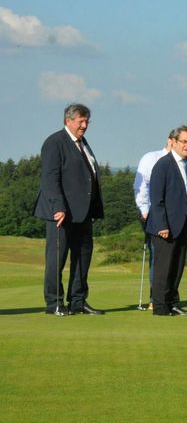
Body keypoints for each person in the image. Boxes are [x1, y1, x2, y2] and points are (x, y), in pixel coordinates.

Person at [34, 103, 105, 316]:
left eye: (87, 122)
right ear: (68, 120)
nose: (84, 126)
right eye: (80, 121)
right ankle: (54, 303)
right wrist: (58, 207)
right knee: (57, 259)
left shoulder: (82, 143)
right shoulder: (55, 142)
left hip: (83, 213)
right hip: (61, 213)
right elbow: (50, 178)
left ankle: (78, 300)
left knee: (83, 257)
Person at [147, 126, 187, 316]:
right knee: (163, 268)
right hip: (165, 226)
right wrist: (162, 225)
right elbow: (156, 199)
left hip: (184, 223)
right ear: (174, 141)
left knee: (177, 266)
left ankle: (173, 303)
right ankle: (161, 307)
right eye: (184, 142)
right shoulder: (163, 165)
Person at [134, 133, 172, 309]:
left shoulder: (183, 163)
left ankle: (167, 296)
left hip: (174, 216)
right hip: (153, 214)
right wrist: (144, 210)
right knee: (157, 255)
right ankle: (155, 298)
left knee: (172, 256)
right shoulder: (152, 158)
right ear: (171, 140)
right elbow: (141, 186)